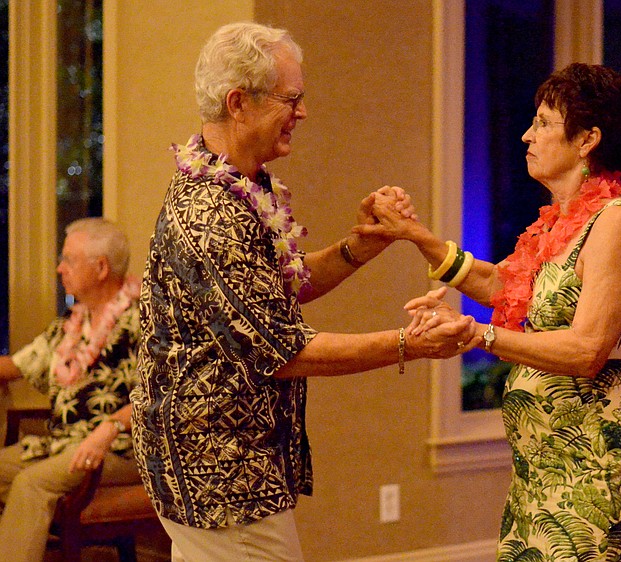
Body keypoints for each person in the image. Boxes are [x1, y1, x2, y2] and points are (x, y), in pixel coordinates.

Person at [130, 22, 474, 562]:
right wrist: (412, 345)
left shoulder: (241, 185)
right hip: (222, 474)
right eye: (292, 98)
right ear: (239, 103)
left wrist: (362, 245)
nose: (304, 112)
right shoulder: (209, 215)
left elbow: (275, 292)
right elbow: (284, 350)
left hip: (236, 465)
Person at [364, 63, 621, 561]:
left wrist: (480, 336)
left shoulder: (617, 223)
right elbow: (504, 285)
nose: (528, 135)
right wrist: (416, 236)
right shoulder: (556, 222)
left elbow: (587, 351)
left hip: (592, 458)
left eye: (543, 122)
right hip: (539, 462)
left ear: (587, 139)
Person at [0, 217, 141, 562]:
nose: (60, 269)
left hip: (118, 449)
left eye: (69, 260)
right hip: (62, 443)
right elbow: (15, 366)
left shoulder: (142, 320)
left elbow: (158, 397)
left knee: (31, 485)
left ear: (101, 267)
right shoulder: (70, 325)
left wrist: (108, 430)